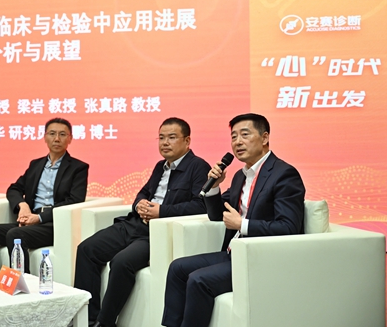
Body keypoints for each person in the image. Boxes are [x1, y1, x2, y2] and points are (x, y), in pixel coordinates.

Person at [162, 113, 306, 327]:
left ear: (265, 138)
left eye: (245, 135)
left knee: (199, 280)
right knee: (177, 268)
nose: (237, 142)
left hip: (261, 258)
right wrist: (214, 187)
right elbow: (216, 215)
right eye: (234, 136)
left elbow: (289, 227)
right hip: (235, 253)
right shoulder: (241, 175)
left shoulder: (284, 174)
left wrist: (242, 225)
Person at [74, 117, 210, 327]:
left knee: (121, 262)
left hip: (157, 233)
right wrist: (140, 204)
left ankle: (104, 322)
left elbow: (201, 206)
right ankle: (87, 319)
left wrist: (161, 212)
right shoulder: (160, 166)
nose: (165, 143)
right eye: (161, 138)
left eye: (172, 137)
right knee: (87, 249)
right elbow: (143, 193)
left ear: (187, 141)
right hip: (134, 224)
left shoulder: (198, 167)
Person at [0, 117, 88, 276]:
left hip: (54, 224)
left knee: (16, 234)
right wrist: (22, 205)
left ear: (70, 138)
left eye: (62, 134)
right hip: (30, 220)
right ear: (45, 137)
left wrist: (40, 217)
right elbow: (14, 189)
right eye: (52, 134)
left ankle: (22, 283)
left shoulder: (78, 168)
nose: (57, 139)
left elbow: (75, 200)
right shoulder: (36, 165)